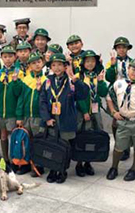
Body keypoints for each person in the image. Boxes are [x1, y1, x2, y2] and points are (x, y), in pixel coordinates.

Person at [39, 53, 86, 183]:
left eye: (60, 64)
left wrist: (76, 81)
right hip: (52, 120)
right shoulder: (48, 81)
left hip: (67, 119)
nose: (57, 68)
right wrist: (47, 118)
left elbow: (83, 95)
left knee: (65, 146)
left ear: (65, 66)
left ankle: (62, 170)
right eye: (54, 65)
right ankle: (53, 169)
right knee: (53, 145)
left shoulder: (71, 81)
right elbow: (42, 100)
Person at [75, 50, 108, 177]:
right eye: (87, 61)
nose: (90, 64)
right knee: (81, 134)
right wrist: (84, 111)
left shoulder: (97, 75)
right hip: (82, 111)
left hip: (95, 110)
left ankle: (88, 162)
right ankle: (79, 163)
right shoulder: (79, 76)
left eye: (92, 61)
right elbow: (78, 96)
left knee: (94, 134)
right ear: (83, 62)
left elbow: (103, 93)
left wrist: (100, 82)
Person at [16, 52, 47, 176]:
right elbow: (21, 99)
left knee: (38, 141)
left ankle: (39, 165)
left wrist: (40, 91)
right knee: (26, 141)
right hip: (26, 117)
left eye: (39, 62)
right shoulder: (25, 80)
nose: (37, 65)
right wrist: (19, 117)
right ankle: (26, 164)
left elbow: (46, 101)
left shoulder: (46, 80)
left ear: (43, 63)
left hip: (39, 117)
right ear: (29, 65)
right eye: (33, 63)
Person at [0, 45, 22, 163]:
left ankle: (15, 158)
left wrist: (14, 82)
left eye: (10, 56)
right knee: (3, 135)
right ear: (1, 58)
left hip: (12, 111)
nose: (8, 59)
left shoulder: (19, 73)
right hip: (0, 111)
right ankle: (5, 158)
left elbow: (18, 93)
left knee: (14, 135)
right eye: (5, 56)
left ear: (15, 57)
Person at [106, 36, 133, 161]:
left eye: (124, 47)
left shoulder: (132, 62)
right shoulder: (111, 61)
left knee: (127, 120)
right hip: (115, 93)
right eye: (119, 47)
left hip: (128, 93)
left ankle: (126, 147)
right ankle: (119, 145)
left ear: (128, 49)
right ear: (116, 49)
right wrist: (112, 66)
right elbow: (109, 78)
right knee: (116, 119)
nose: (121, 50)